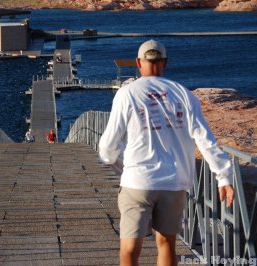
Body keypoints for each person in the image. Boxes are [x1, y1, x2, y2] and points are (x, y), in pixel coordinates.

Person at [98, 40, 234, 266]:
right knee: (167, 243)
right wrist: (224, 176)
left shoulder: (127, 93)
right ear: (165, 63)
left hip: (138, 182)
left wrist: (123, 168)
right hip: (173, 183)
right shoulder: (184, 94)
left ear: (138, 63)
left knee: (130, 248)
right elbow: (205, 139)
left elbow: (107, 148)